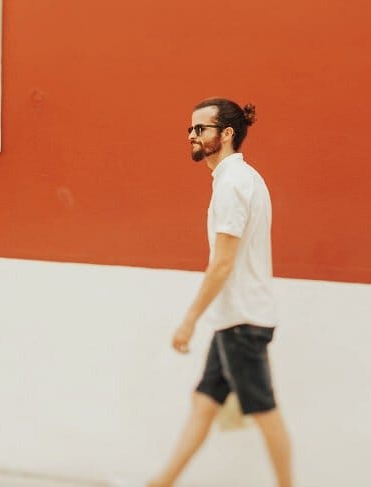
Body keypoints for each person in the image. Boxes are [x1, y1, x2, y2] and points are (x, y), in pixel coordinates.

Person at [147, 98, 293, 487]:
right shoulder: (245, 179)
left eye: (201, 129)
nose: (192, 136)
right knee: (204, 404)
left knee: (264, 411)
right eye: (190, 130)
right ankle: (162, 483)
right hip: (236, 317)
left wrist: (189, 321)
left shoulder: (232, 185)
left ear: (226, 134)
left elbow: (222, 264)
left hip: (242, 321)